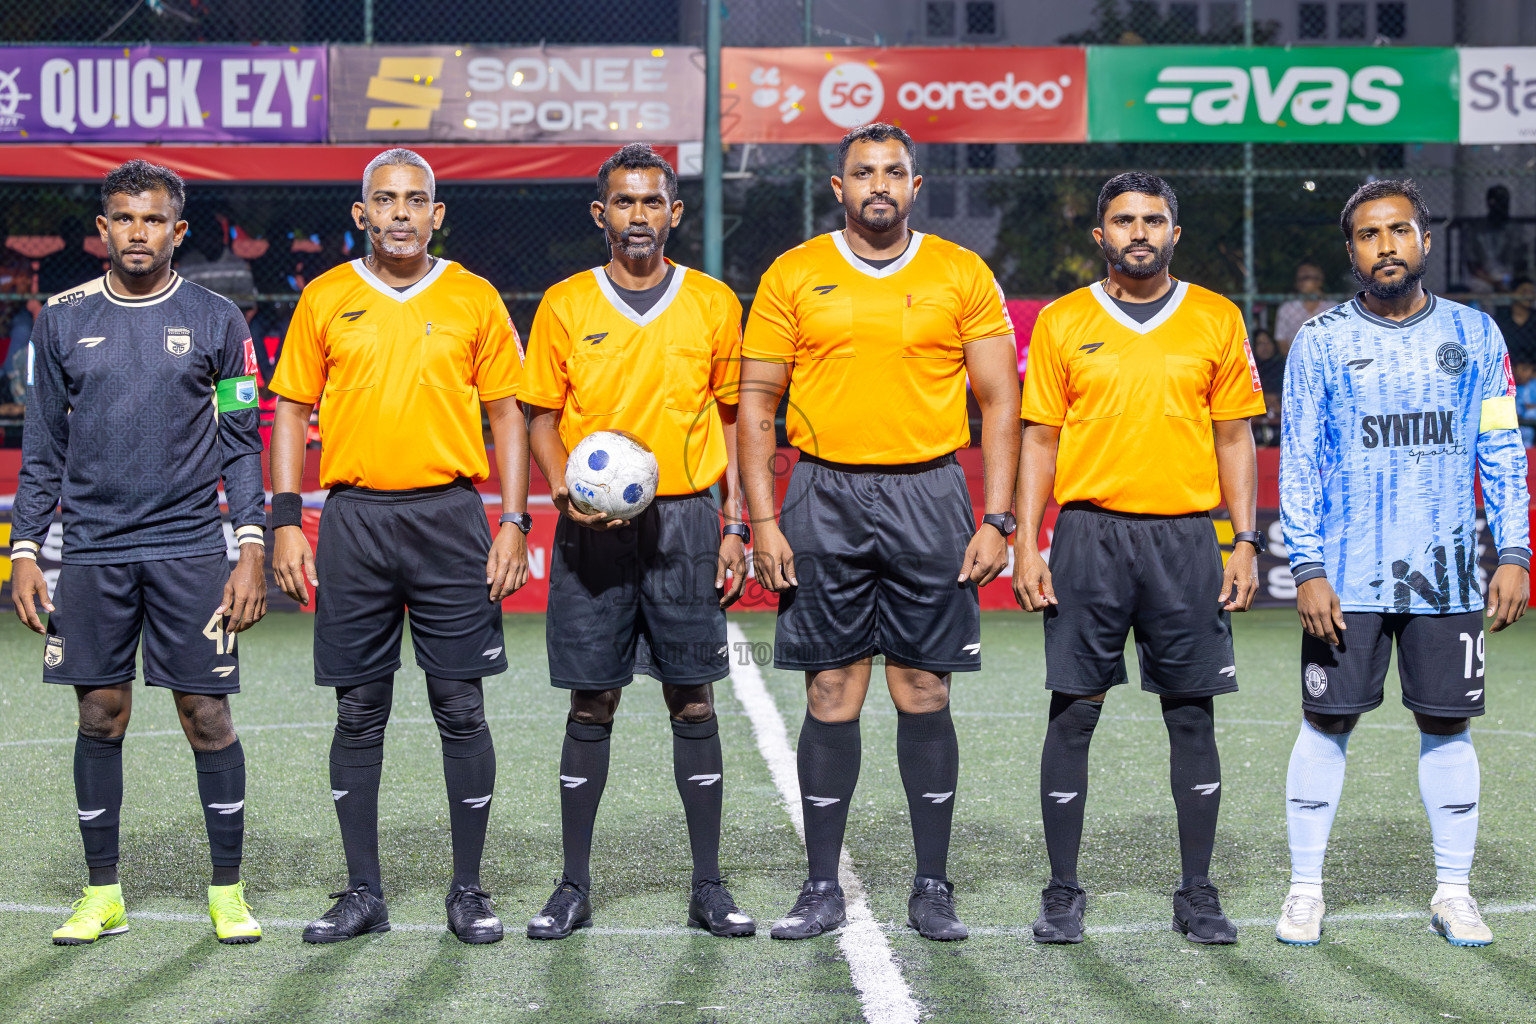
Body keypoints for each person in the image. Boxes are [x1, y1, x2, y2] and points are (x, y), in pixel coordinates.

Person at [740, 123, 1021, 942]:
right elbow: (757, 405)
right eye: (862, 172)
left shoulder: (960, 272)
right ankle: (821, 885)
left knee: (922, 690)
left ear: (915, 185)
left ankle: (932, 885)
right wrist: (763, 518)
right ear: (838, 187)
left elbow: (999, 402)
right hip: (822, 492)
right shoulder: (794, 274)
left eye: (893, 172)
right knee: (831, 691)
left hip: (930, 493)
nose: (878, 185)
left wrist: (997, 516)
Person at [267, 148, 531, 945]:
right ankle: (363, 894)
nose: (402, 214)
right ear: (362, 215)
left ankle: (469, 891)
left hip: (451, 518)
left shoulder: (475, 297)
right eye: (386, 201)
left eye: (417, 200)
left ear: (437, 213)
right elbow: (288, 411)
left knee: (460, 706)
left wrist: (513, 521)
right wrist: (285, 518)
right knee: (359, 710)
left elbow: (509, 415)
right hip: (353, 521)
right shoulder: (325, 296)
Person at [9, 160, 267, 945]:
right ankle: (102, 893)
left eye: (153, 219)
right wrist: (25, 547)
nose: (138, 232)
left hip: (191, 547)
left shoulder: (221, 320)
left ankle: (227, 890)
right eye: (123, 218)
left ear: (178, 231)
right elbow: (43, 444)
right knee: (100, 712)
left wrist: (249, 544)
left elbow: (241, 441)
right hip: (89, 551)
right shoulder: (61, 319)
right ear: (102, 230)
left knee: (207, 715)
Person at [1014, 172, 1266, 946]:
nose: (1139, 232)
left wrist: (1246, 540)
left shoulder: (1216, 319)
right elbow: (1041, 439)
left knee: (1191, 715)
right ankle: (1062, 892)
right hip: (1090, 537)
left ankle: (1197, 892)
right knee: (1074, 714)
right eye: (1123, 220)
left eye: (1153, 219)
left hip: (1188, 539)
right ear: (1100, 236)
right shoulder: (1061, 322)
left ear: (1174, 233)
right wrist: (1027, 539)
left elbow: (1233, 436)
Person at [1278, 179, 1531, 948]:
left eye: (1398, 230)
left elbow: (1500, 447)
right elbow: (1300, 462)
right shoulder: (1320, 341)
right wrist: (1309, 566)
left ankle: (1453, 891)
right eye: (1367, 234)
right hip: (1346, 579)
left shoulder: (1477, 336)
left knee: (1447, 724)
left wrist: (1515, 551)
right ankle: (1305, 890)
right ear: (1350, 249)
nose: (1385, 245)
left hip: (1448, 574)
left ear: (1424, 239)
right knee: (1326, 722)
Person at [517, 144, 754, 940]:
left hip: (687, 522)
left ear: (675, 214)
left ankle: (710, 887)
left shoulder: (715, 303)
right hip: (591, 529)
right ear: (601, 214)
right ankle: (573, 886)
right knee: (594, 696)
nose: (639, 217)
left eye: (653, 203)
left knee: (692, 695)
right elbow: (541, 415)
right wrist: (560, 490)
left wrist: (733, 524)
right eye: (624, 203)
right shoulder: (564, 304)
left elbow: (731, 419)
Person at [1462, 184, 1527, 294]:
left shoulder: (1516, 230)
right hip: (1484, 280)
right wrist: (1493, 282)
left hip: (1510, 279)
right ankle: (1489, 312)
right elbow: (1473, 266)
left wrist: (1508, 279)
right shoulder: (1476, 230)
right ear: (1490, 204)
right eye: (1499, 203)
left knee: (1525, 289)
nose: (1502, 208)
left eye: (1504, 203)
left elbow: (1522, 264)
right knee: (1481, 289)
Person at [1273, 262, 1329, 352]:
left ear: (1319, 280)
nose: (1301, 281)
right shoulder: (1287, 308)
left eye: (1306, 277)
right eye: (1299, 278)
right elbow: (1281, 341)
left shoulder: (1332, 307)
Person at [1493, 276, 1536, 367]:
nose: (1528, 295)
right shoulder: (1501, 318)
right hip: (1505, 371)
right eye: (1524, 291)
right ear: (1513, 293)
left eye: (1531, 292)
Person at [1515, 357, 1536, 447]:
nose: (1523, 374)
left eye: (1527, 370)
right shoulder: (1515, 387)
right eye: (1522, 369)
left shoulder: (1533, 385)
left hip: (1530, 419)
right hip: (1519, 419)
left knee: (1531, 413)